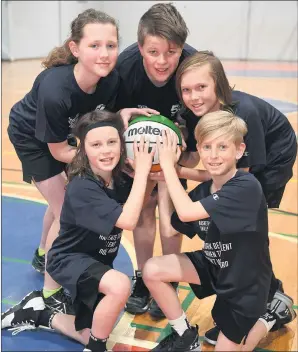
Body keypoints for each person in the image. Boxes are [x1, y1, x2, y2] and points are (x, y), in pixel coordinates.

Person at [6, 8, 156, 314]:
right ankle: (49, 294)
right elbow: (60, 151)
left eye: (111, 45)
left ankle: (42, 252)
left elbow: (101, 120)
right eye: (94, 45)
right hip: (35, 139)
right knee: (66, 209)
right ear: (75, 49)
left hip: (71, 135)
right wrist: (112, 161)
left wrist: (121, 116)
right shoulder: (54, 89)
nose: (105, 54)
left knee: (59, 198)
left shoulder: (110, 80)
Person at [2, 110, 157, 352]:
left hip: (97, 261)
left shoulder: (120, 178)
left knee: (90, 331)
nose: (105, 150)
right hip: (68, 261)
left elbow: (140, 205)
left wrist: (150, 174)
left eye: (111, 142)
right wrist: (143, 174)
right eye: (96, 144)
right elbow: (127, 220)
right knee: (119, 287)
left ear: (122, 144)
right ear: (83, 149)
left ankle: (40, 315)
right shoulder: (82, 186)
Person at [142, 111, 296, 352]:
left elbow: (186, 213)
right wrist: (162, 179)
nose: (213, 155)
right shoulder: (203, 192)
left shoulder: (246, 187)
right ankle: (184, 335)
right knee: (152, 269)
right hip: (214, 265)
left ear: (238, 150)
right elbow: (171, 230)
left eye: (222, 147)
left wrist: (171, 168)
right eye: (206, 147)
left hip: (246, 285)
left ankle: (272, 315)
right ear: (199, 150)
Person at [173, 50, 297, 344]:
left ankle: (269, 300)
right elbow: (195, 156)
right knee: (226, 228)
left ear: (219, 84)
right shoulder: (196, 111)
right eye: (186, 90)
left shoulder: (244, 114)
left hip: (272, 158)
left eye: (201, 87)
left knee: (249, 229)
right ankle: (252, 294)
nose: (193, 96)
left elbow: (237, 176)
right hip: (239, 166)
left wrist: (175, 170)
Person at [114, 2, 208, 319]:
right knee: (142, 211)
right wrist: (125, 158)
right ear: (140, 46)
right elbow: (110, 118)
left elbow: (206, 118)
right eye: (153, 52)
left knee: (170, 216)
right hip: (135, 155)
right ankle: (143, 276)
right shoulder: (123, 69)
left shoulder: (194, 67)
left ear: (181, 48)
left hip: (175, 152)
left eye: (171, 52)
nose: (163, 61)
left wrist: (184, 159)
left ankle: (167, 278)